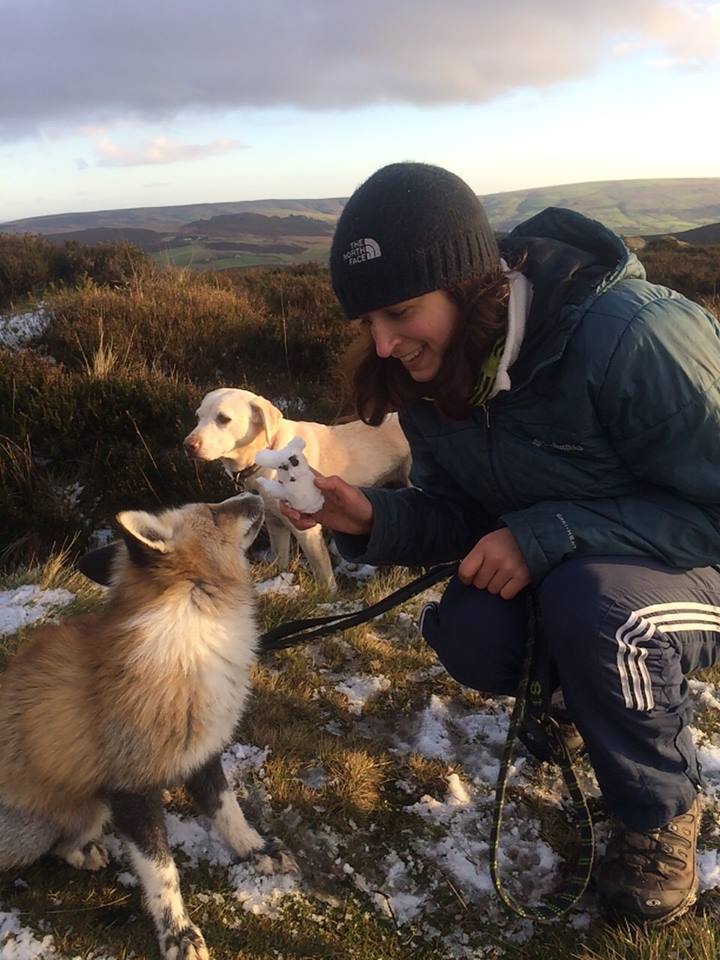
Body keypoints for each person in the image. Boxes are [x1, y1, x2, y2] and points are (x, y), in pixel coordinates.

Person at [281, 162, 720, 925]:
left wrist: (545, 534)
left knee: (604, 610)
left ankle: (659, 815)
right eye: (366, 324)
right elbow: (460, 516)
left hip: (688, 564)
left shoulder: (636, 338)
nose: (383, 346)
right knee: (473, 629)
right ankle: (593, 693)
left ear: (468, 285)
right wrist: (372, 520)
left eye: (401, 312)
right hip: (588, 569)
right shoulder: (435, 374)